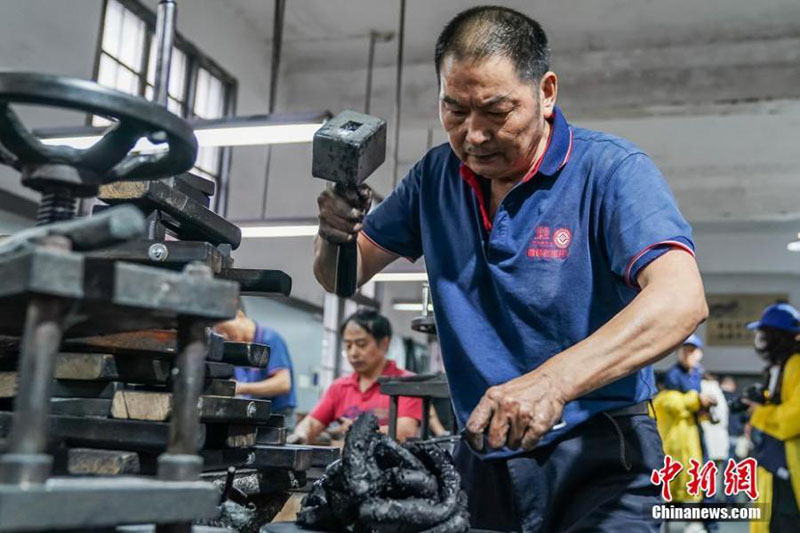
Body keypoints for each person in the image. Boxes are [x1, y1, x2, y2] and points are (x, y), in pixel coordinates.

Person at [313, 6, 707, 531]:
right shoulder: (435, 177)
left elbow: (682, 299)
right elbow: (341, 276)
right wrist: (334, 233)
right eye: (454, 111)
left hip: (603, 453)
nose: (473, 135)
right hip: (484, 453)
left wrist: (553, 383)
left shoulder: (611, 171)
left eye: (495, 111)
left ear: (546, 92)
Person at [289, 310, 422, 444]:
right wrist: (300, 435)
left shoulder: (406, 384)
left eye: (361, 344)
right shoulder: (339, 387)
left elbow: (405, 431)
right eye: (348, 345)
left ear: (384, 344)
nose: (353, 353)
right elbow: (312, 423)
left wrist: (355, 431)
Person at [744, 303, 800, 533]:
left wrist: (759, 412)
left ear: (777, 336)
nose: (760, 339)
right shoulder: (782, 367)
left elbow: (794, 416)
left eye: (764, 333)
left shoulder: (796, 364)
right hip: (777, 465)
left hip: (790, 466)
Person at [214, 308, 298, 429]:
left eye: (224, 329)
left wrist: (241, 388)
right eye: (220, 333)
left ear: (239, 315)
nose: (225, 336)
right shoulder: (237, 349)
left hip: (277, 417)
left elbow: (283, 384)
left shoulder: (270, 338)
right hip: (253, 415)